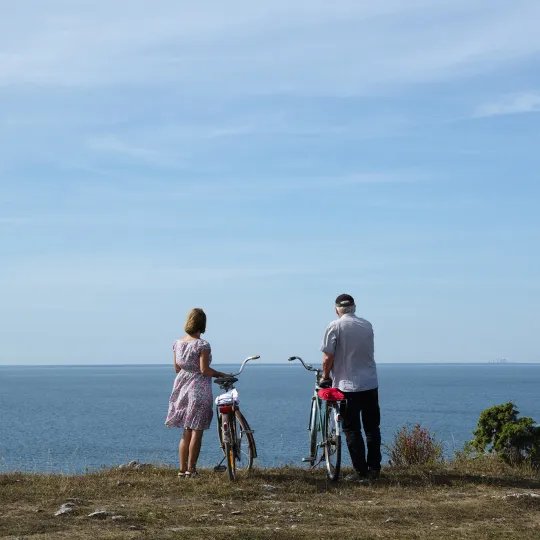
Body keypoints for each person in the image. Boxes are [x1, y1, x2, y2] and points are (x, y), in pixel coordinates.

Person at [320, 294, 381, 480]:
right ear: (354, 307)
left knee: (352, 429)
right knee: (372, 427)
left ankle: (361, 472)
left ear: (336, 309)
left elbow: (328, 357)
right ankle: (374, 469)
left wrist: (325, 376)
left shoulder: (335, 326)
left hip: (348, 386)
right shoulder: (367, 325)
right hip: (370, 383)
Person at [165, 308, 228, 477]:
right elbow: (204, 370)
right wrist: (221, 374)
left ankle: (182, 470)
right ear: (202, 324)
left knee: (186, 430)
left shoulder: (177, 343)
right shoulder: (202, 345)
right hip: (198, 388)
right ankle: (192, 470)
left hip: (181, 388)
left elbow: (177, 368)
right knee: (197, 430)